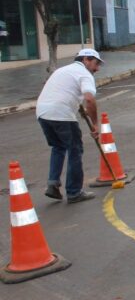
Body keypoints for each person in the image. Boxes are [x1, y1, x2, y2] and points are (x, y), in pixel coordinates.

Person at [35, 48, 103, 203]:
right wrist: (95, 125)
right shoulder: (84, 74)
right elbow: (90, 99)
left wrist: (79, 109)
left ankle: (53, 184)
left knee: (58, 147)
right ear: (85, 60)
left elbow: (64, 92)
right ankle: (74, 192)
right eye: (96, 63)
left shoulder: (62, 70)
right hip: (61, 115)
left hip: (43, 113)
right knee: (75, 150)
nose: (97, 68)